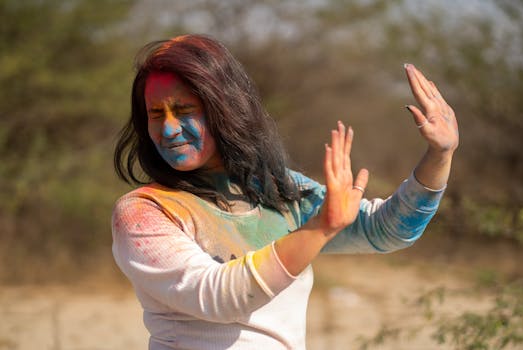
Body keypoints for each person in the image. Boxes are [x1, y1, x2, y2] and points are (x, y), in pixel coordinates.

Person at [112, 34, 458, 350]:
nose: (169, 129)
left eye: (184, 110)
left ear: (225, 109)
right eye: (156, 114)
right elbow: (217, 296)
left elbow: (386, 230)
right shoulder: (144, 211)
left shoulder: (275, 191)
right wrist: (319, 228)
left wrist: (440, 156)